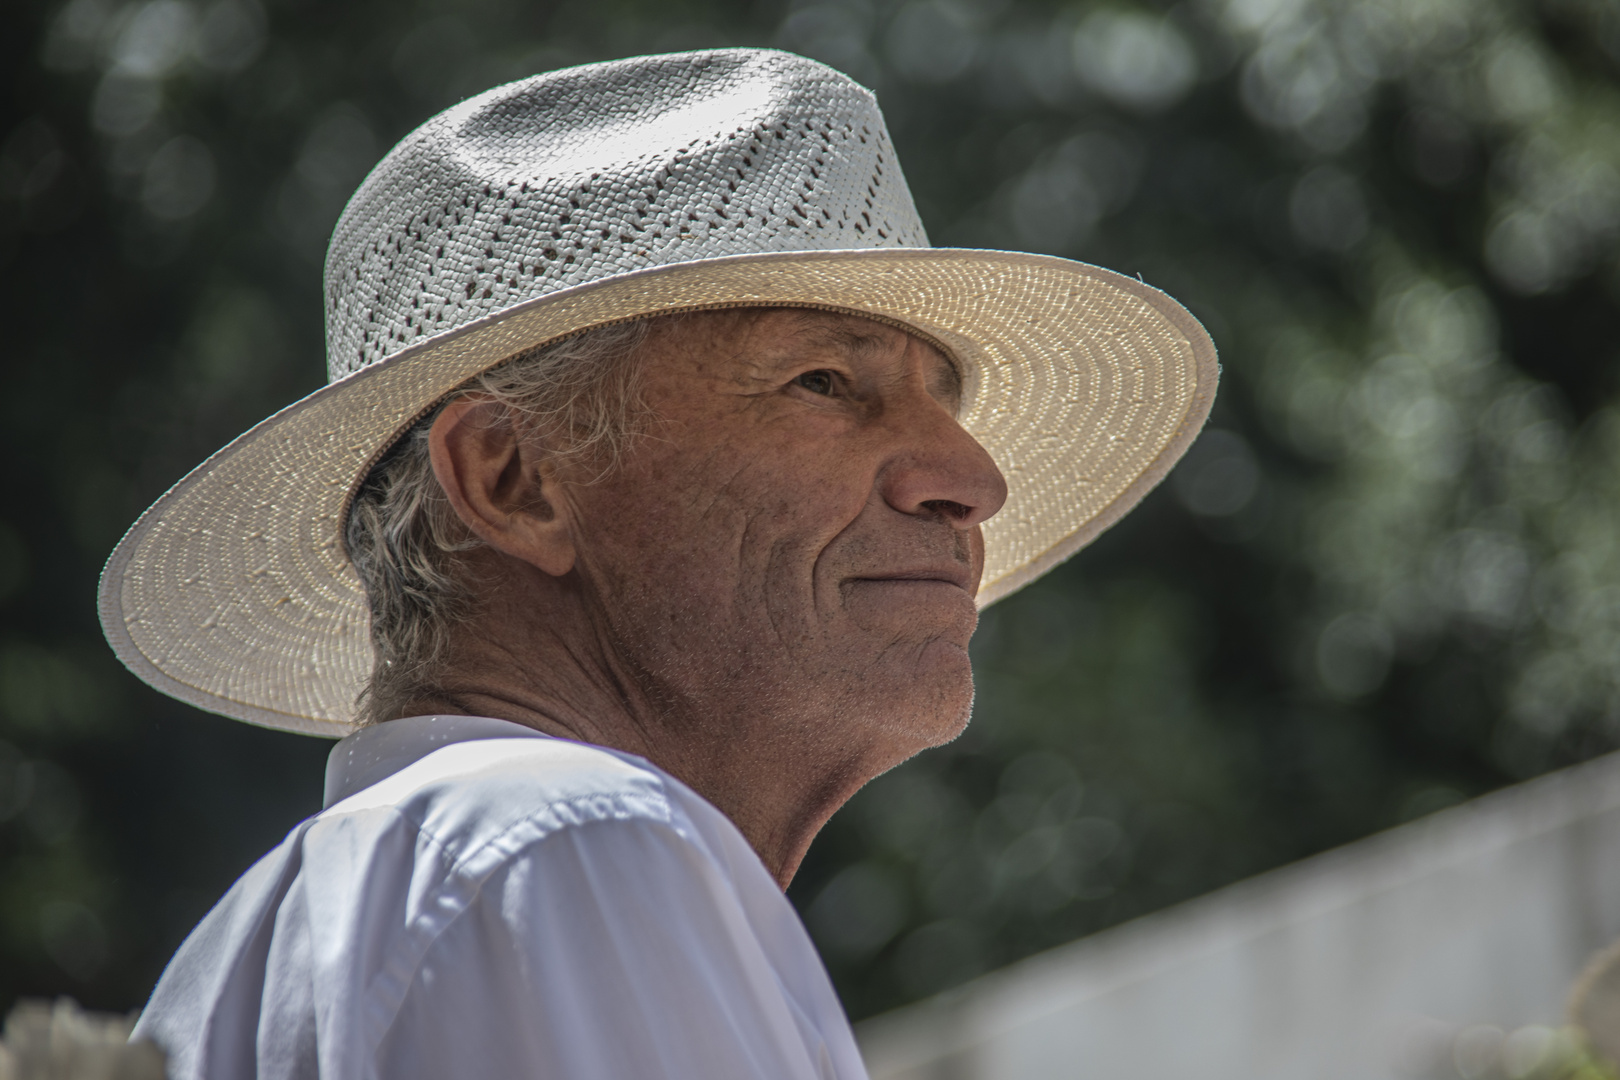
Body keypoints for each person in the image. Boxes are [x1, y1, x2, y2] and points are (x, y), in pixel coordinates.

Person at [101, 48, 1217, 1080]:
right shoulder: (563, 843)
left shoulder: (246, 960)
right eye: (825, 382)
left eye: (947, 398)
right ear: (511, 479)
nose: (970, 478)